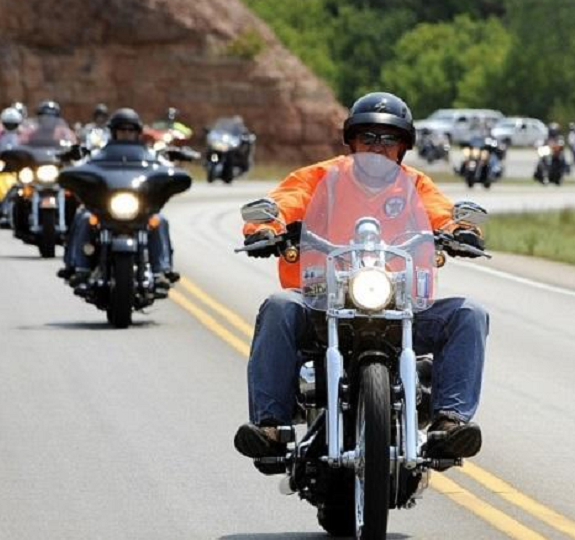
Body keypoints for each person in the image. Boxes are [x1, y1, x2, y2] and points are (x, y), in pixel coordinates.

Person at [233, 91, 489, 466]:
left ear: (403, 147)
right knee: (279, 306)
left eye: (389, 138)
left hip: (400, 305)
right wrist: (265, 228)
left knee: (469, 313)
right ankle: (271, 426)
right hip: (324, 302)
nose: (377, 146)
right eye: (368, 136)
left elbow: (443, 213)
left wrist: (461, 231)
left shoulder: (415, 185)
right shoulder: (321, 177)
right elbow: (286, 201)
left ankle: (449, 423)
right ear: (352, 141)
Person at [58, 108, 179, 288]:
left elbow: (166, 167)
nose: (126, 133)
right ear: (114, 132)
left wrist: (175, 163)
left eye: (131, 130)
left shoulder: (149, 155)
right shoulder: (99, 154)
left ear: (137, 132)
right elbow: (83, 165)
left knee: (159, 220)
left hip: (139, 208)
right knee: (84, 218)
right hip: (104, 207)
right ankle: (79, 268)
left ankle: (161, 271)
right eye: (122, 130)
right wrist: (73, 161)